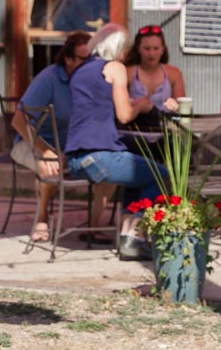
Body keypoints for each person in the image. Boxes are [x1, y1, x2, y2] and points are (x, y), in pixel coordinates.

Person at [64, 23, 169, 260]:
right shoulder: (115, 67)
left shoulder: (81, 70)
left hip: (75, 158)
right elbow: (124, 115)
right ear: (120, 49)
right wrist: (140, 106)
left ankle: (128, 236)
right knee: (161, 175)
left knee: (136, 174)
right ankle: (134, 238)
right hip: (99, 155)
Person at [11, 30, 113, 243]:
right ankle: (42, 219)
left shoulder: (95, 79)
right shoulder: (49, 78)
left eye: (93, 60)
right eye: (84, 60)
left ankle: (93, 226)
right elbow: (18, 121)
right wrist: (44, 150)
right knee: (50, 164)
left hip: (72, 146)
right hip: (32, 142)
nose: (90, 65)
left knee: (112, 166)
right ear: (68, 59)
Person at [124, 25, 185, 130]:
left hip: (164, 131)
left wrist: (175, 106)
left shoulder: (174, 74)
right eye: (147, 49)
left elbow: (183, 108)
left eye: (156, 48)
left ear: (163, 49)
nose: (151, 54)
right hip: (134, 130)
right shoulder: (127, 73)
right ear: (138, 49)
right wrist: (137, 107)